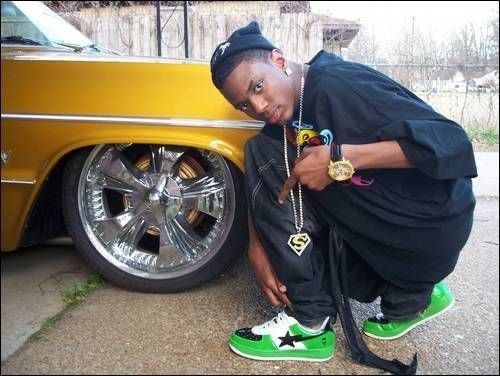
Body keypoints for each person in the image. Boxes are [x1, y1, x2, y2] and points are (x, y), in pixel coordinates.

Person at [209, 21, 476, 374]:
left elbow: (454, 144)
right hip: (420, 245)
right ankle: (412, 298)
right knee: (271, 146)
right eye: (244, 104)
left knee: (264, 152)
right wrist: (255, 246)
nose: (257, 105)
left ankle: (309, 322)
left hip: (428, 223)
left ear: (278, 60)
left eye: (257, 87)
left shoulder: (337, 86)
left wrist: (339, 157)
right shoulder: (290, 108)